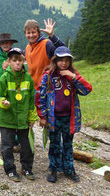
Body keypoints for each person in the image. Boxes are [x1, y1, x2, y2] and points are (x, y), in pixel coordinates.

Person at [38, 46, 92, 183]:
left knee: (68, 144)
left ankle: (69, 169)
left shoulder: (73, 75)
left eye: (67, 60)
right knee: (54, 144)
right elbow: (40, 97)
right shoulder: (48, 76)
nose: (63, 63)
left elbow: (87, 89)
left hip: (69, 118)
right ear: (55, 60)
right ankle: (53, 169)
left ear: (70, 61)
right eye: (60, 60)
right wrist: (42, 116)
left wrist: (73, 76)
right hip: (53, 118)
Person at [0, 48, 37, 182]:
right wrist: (3, 102)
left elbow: (31, 100)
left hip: (23, 120)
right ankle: (10, 170)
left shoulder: (28, 78)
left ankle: (27, 168)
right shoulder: (4, 78)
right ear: (9, 62)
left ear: (23, 61)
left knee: (27, 146)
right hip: (8, 119)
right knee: (7, 147)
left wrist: (31, 118)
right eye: (14, 60)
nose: (17, 63)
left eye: (19, 60)